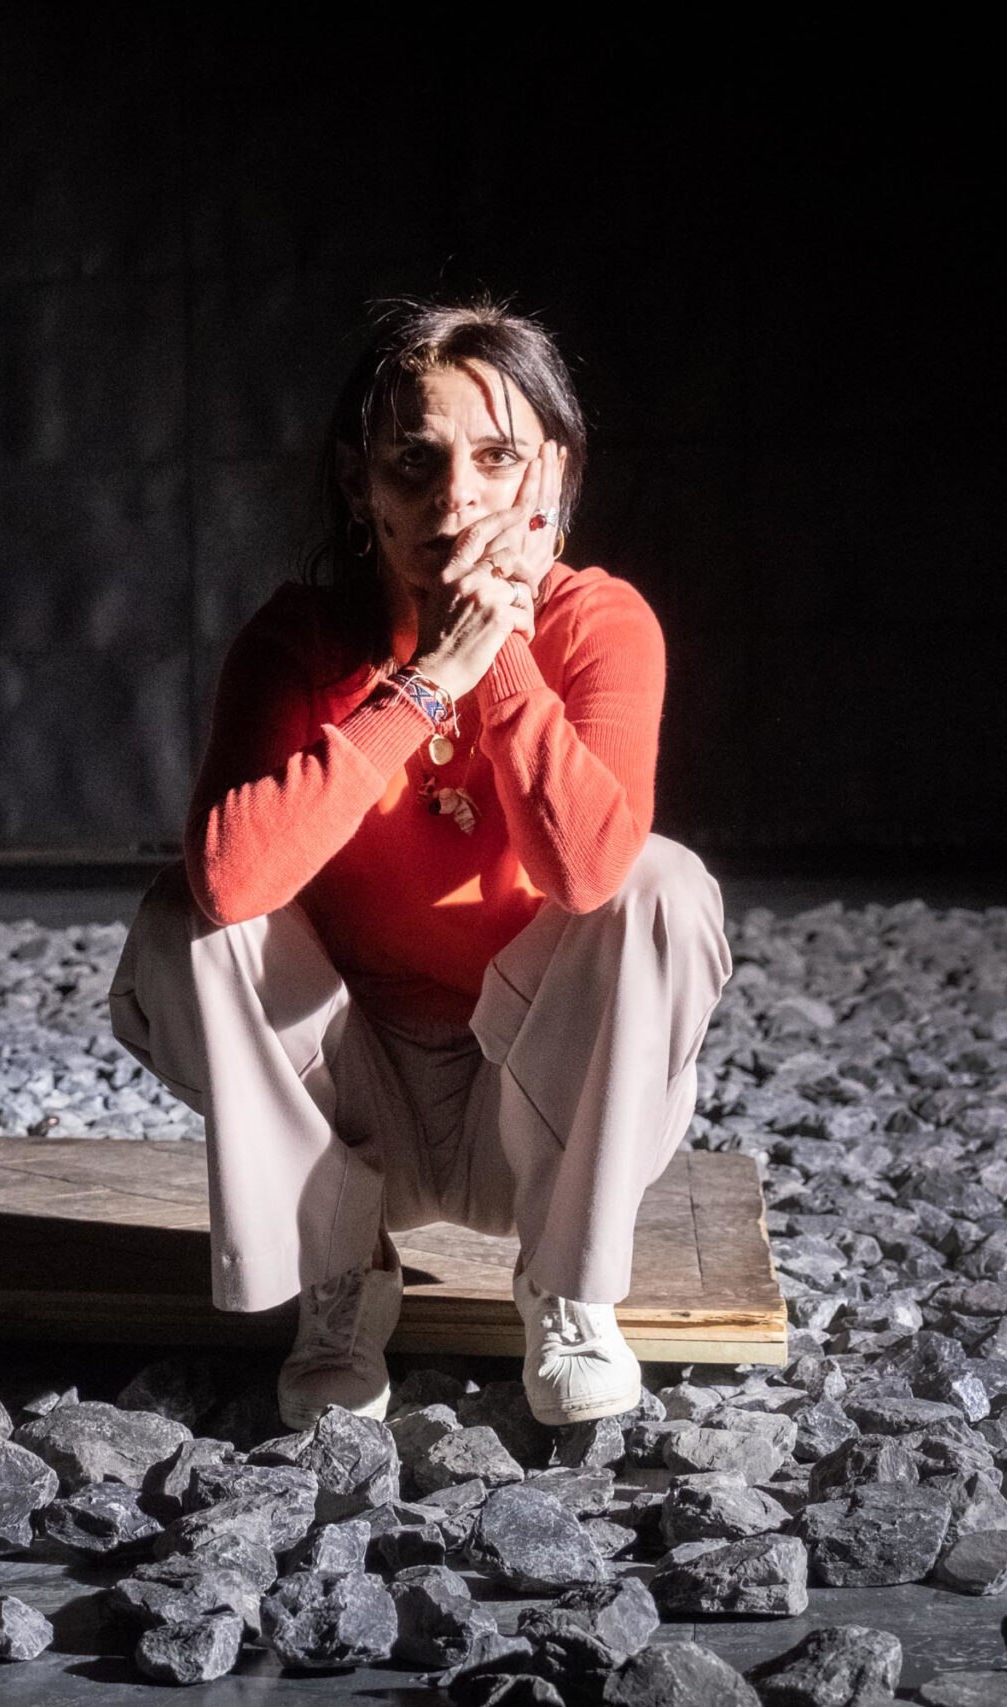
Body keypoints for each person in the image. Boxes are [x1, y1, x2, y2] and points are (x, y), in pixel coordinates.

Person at [109, 300, 731, 1429]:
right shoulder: (298, 640)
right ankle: (342, 1271)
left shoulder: (601, 623)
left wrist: (499, 657)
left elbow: (588, 872)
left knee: (661, 885)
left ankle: (568, 1285)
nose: (456, 500)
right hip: (355, 1111)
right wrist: (428, 682)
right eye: (415, 461)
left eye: (496, 458)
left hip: (533, 1105)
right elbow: (232, 881)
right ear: (360, 486)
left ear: (550, 476)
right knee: (186, 915)